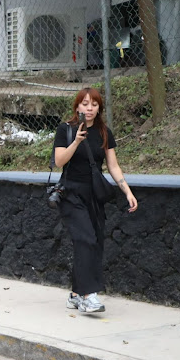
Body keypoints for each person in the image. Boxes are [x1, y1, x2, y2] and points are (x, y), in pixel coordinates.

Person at [53, 87, 138, 313]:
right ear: (77, 106)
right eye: (85, 104)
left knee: (94, 241)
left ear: (99, 108)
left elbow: (113, 165)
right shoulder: (66, 129)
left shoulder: (103, 132)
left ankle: (75, 294)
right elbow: (59, 161)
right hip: (71, 193)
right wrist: (76, 142)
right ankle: (88, 296)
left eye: (94, 104)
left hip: (94, 194)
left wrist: (127, 191)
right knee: (86, 239)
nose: (89, 108)